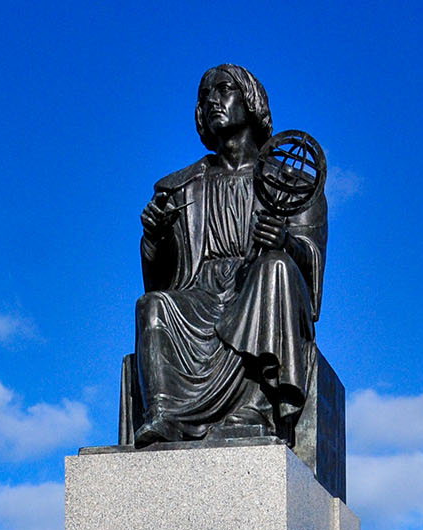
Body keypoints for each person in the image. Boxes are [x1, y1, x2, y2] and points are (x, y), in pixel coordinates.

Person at [130, 64, 326, 446]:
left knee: (275, 268)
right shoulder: (178, 187)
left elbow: (313, 265)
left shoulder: (295, 184)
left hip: (261, 290)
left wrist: (285, 241)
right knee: (152, 305)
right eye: (205, 96)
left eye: (223, 90)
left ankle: (256, 406)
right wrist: (153, 239)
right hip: (200, 296)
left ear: (251, 102)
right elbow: (161, 282)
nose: (212, 101)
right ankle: (164, 415)